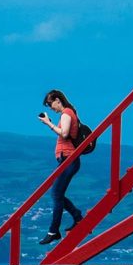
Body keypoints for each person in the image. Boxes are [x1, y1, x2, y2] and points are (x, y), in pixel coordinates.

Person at [37, 89, 83, 245]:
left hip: (68, 159)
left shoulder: (66, 114)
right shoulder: (70, 113)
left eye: (51, 104)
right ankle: (77, 216)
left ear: (58, 100)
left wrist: (48, 123)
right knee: (58, 194)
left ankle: (54, 231)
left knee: (56, 195)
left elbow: (64, 134)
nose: (51, 108)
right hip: (68, 160)